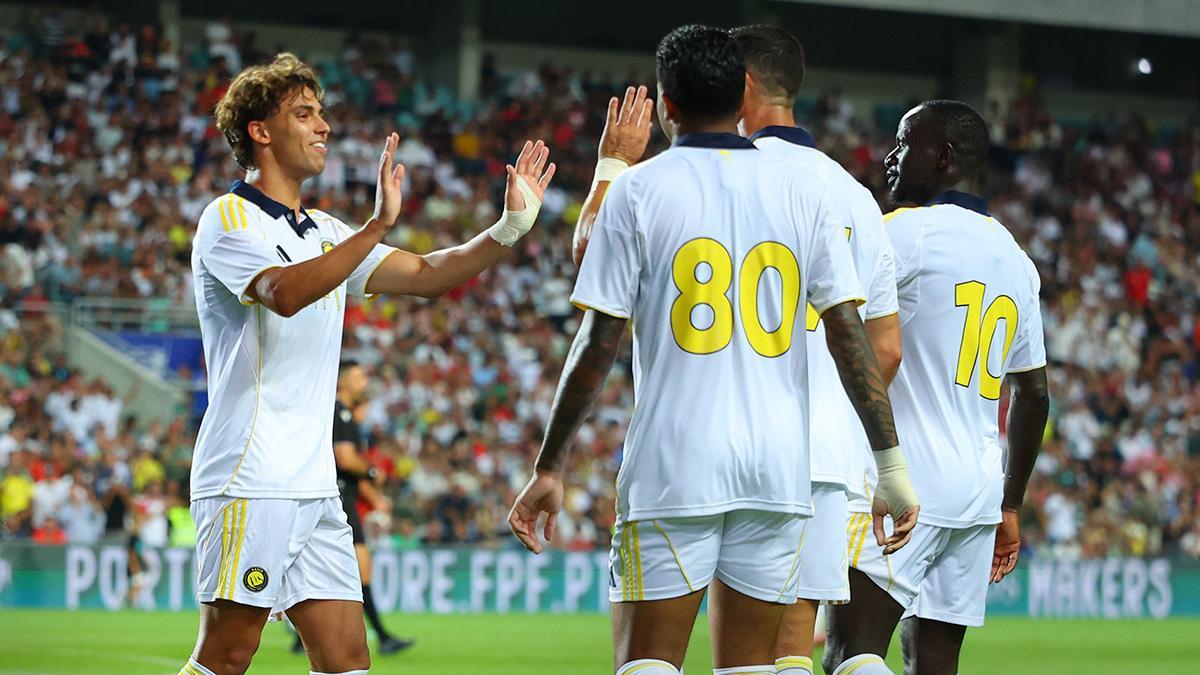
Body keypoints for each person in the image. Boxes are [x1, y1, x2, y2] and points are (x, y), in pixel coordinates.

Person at [509, 25, 918, 675]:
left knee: (649, 662)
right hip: (778, 466)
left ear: (667, 104)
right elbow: (851, 337)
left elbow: (598, 341)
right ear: (739, 94)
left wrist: (550, 464)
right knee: (753, 665)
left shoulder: (639, 190)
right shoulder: (809, 192)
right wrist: (890, 466)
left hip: (676, 459)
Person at [179, 52, 555, 675]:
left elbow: (429, 274)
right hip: (251, 476)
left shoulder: (326, 231)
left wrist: (509, 228)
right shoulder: (227, 219)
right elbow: (283, 293)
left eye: (321, 112)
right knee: (227, 656)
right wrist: (376, 225)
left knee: (349, 660)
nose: (323, 125)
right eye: (304, 113)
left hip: (315, 485)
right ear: (260, 131)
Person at [822, 101, 1050, 675]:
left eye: (904, 144)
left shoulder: (900, 233)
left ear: (943, 156)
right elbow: (1033, 394)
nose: (890, 156)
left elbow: (838, 323)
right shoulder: (1017, 259)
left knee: (850, 655)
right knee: (934, 664)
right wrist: (1010, 504)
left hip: (903, 481)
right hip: (976, 491)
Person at [731, 24, 905, 675]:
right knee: (792, 644)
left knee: (736, 647)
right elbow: (886, 349)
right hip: (828, 451)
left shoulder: (725, 173)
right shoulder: (856, 196)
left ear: (742, 85)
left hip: (738, 440)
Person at [290, 361, 413, 656]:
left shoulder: (342, 416)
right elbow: (344, 459)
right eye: (358, 378)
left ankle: (304, 636)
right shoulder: (339, 414)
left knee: (335, 572)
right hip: (338, 503)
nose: (364, 383)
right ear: (343, 383)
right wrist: (371, 471)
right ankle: (381, 637)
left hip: (343, 501)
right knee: (358, 569)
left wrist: (373, 494)